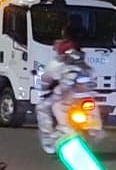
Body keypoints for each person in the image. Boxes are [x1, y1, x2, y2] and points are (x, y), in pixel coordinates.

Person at [36, 25, 92, 155]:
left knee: (42, 107)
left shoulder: (64, 52)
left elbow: (50, 76)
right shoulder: (81, 54)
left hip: (67, 92)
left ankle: (50, 140)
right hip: (81, 93)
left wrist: (46, 86)